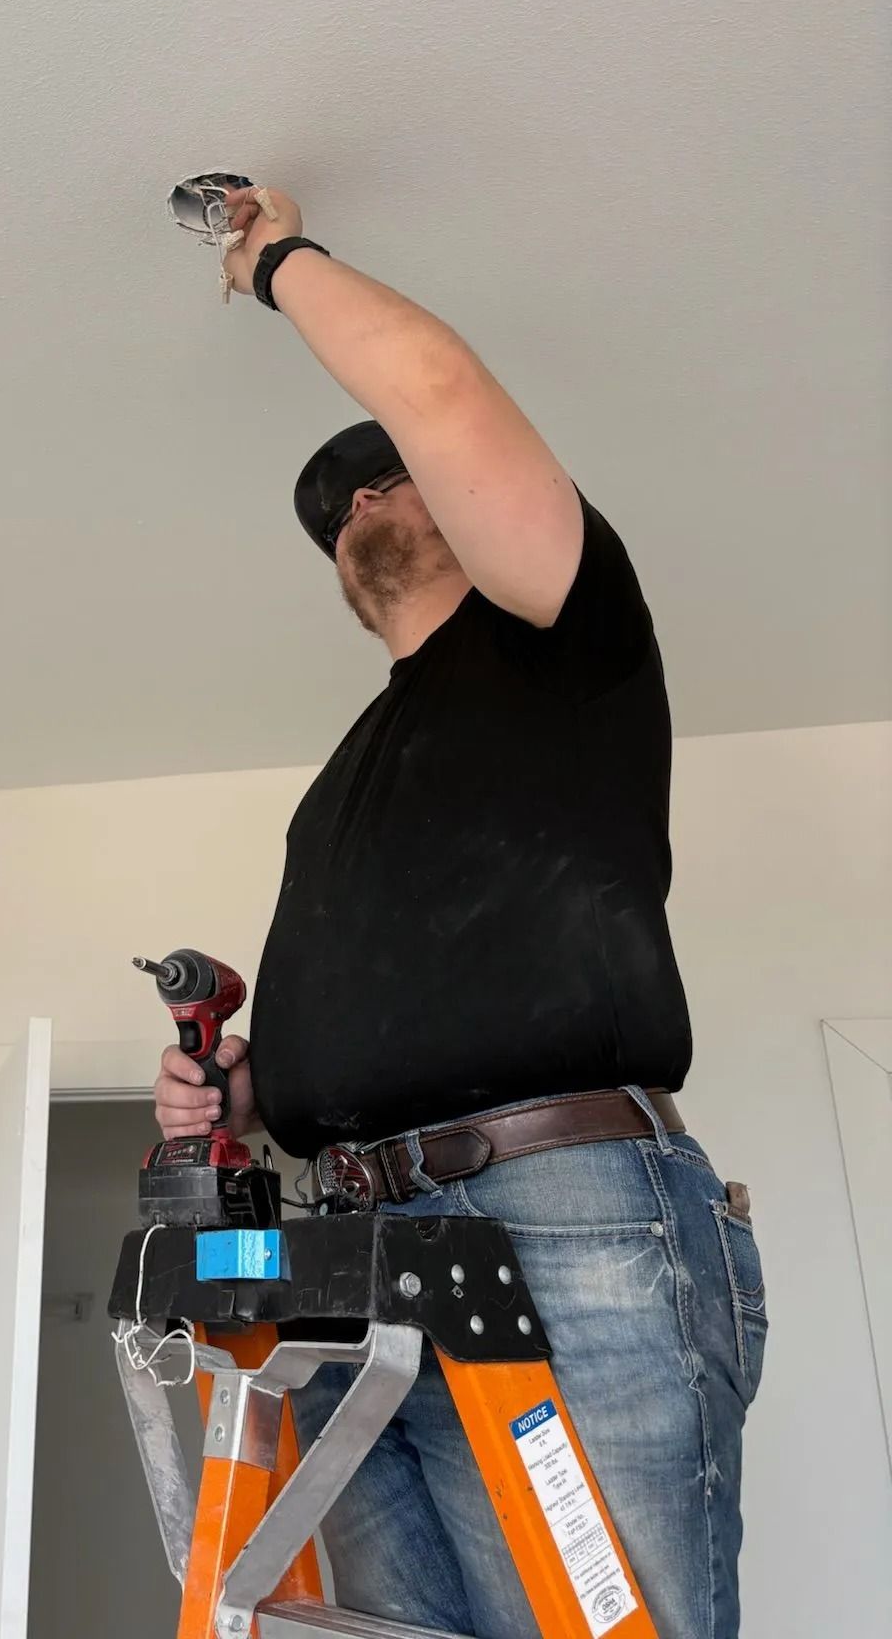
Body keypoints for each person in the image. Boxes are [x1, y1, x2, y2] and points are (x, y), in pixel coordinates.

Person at [152, 185, 767, 1639]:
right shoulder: (339, 785)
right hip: (357, 1238)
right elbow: (392, 982)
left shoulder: (566, 638)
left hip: (561, 1216)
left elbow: (435, 386)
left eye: (385, 480)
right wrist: (249, 1083)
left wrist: (273, 257)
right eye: (337, 512)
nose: (360, 505)